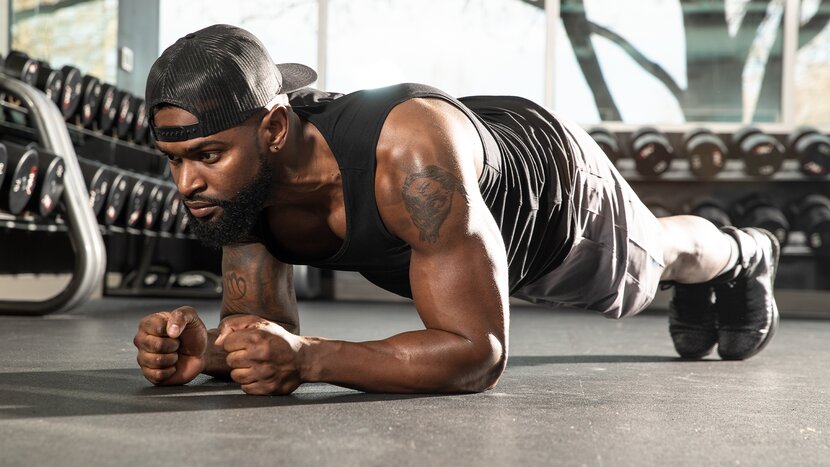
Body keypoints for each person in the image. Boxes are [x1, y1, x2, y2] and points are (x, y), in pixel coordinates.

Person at [133, 24, 780, 396]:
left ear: (274, 128)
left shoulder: (408, 160)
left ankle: (744, 254)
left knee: (659, 259)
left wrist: (309, 358)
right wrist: (208, 352)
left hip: (554, 194)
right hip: (474, 151)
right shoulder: (240, 189)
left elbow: (479, 351)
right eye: (174, 160)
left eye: (208, 154)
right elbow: (257, 334)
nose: (187, 182)